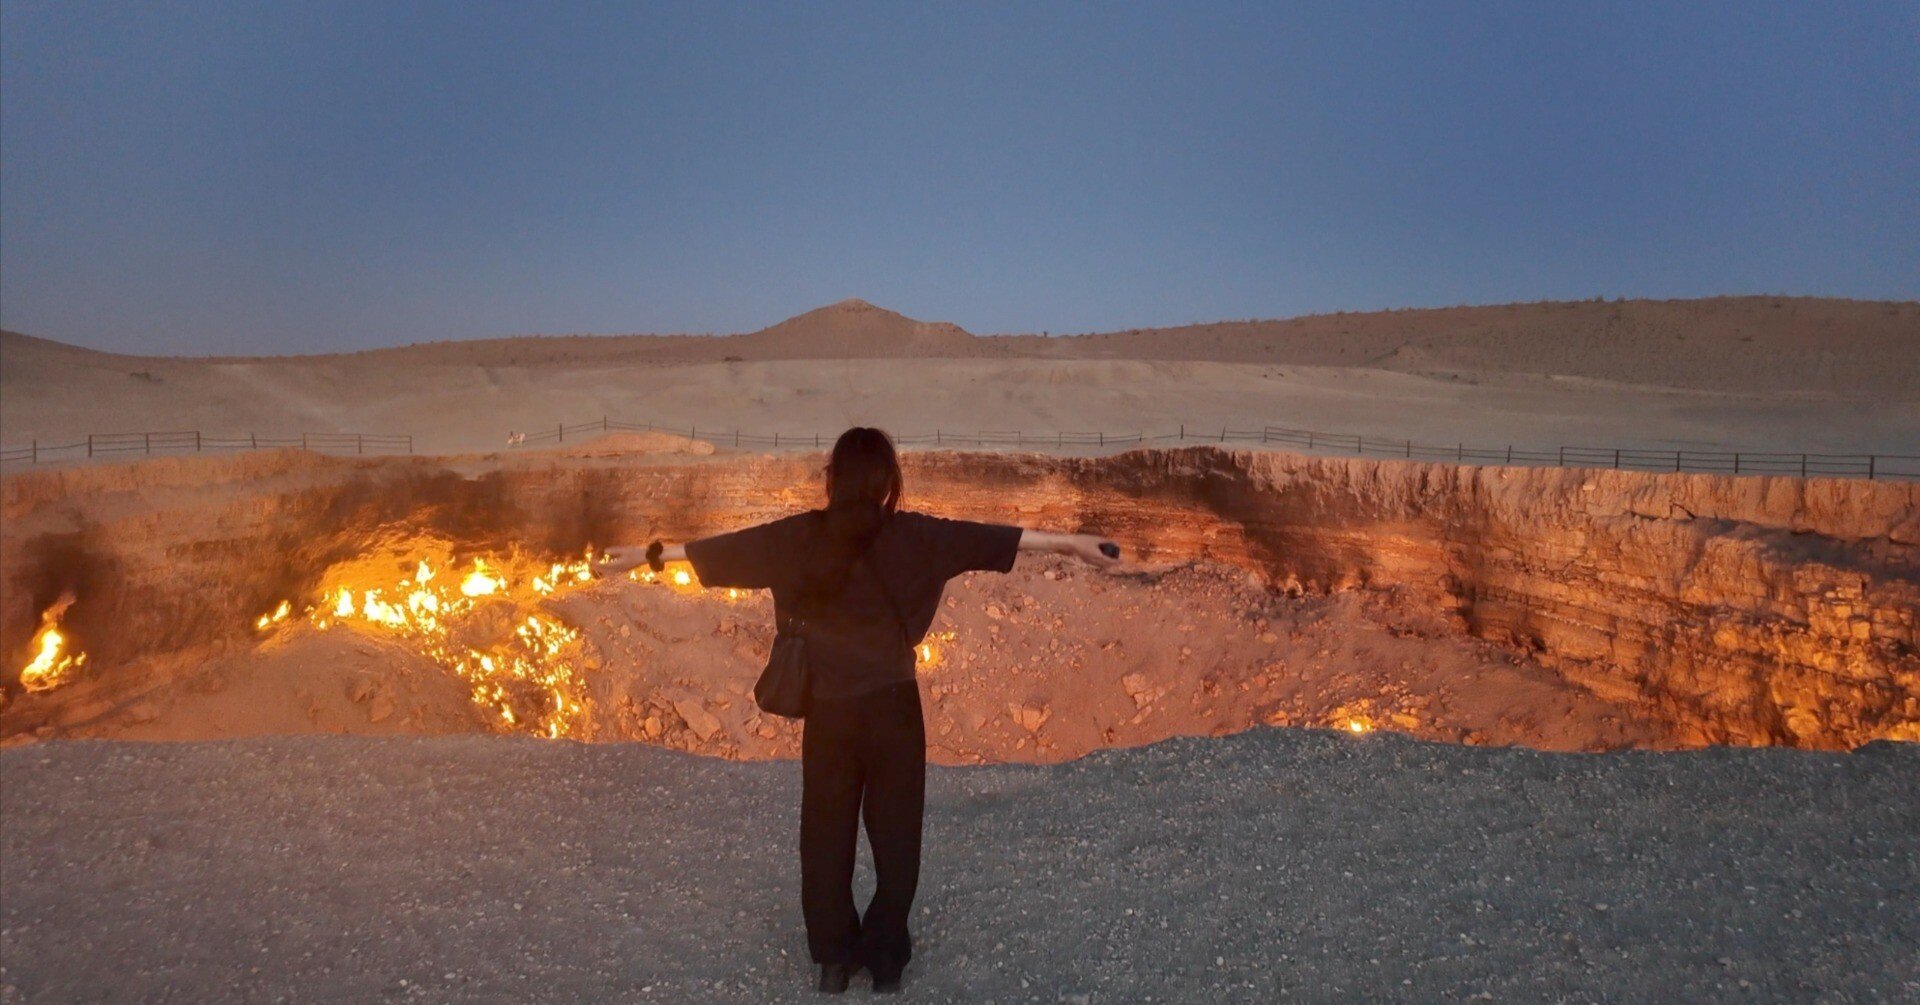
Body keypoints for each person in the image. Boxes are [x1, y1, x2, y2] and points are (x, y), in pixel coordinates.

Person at [597, 426, 1120, 994]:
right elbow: (993, 539)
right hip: (894, 709)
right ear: (889, 482)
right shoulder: (917, 537)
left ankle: (833, 960)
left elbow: (725, 551)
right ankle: (887, 960)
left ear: (833, 479)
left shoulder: (801, 537)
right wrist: (1071, 543)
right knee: (896, 838)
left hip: (830, 712)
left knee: (825, 834)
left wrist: (643, 557)